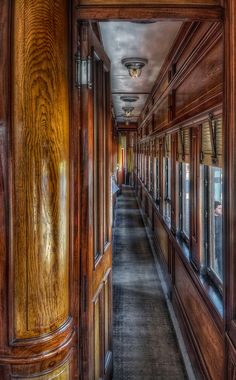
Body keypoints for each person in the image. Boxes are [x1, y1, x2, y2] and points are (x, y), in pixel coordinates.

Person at [214, 201, 222, 279]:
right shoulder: (211, 220)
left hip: (220, 245)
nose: (221, 210)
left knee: (221, 264)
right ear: (214, 209)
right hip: (213, 245)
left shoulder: (222, 219)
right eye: (219, 208)